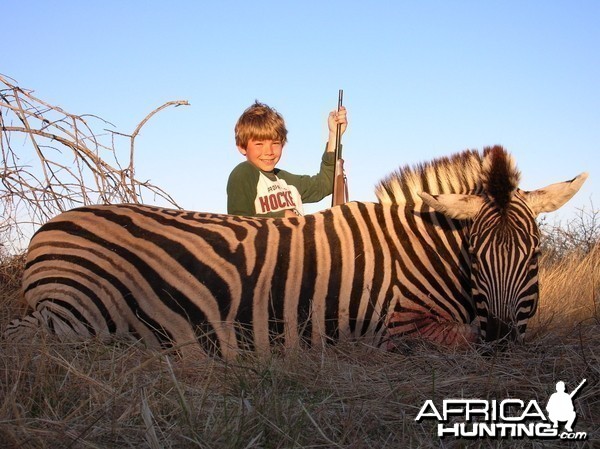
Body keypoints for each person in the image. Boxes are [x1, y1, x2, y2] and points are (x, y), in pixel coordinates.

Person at [227, 101, 348, 217]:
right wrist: (283, 217)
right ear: (242, 147)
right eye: (259, 144)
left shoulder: (286, 181)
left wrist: (334, 135)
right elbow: (239, 221)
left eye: (275, 143)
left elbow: (324, 185)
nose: (269, 152)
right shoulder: (243, 173)